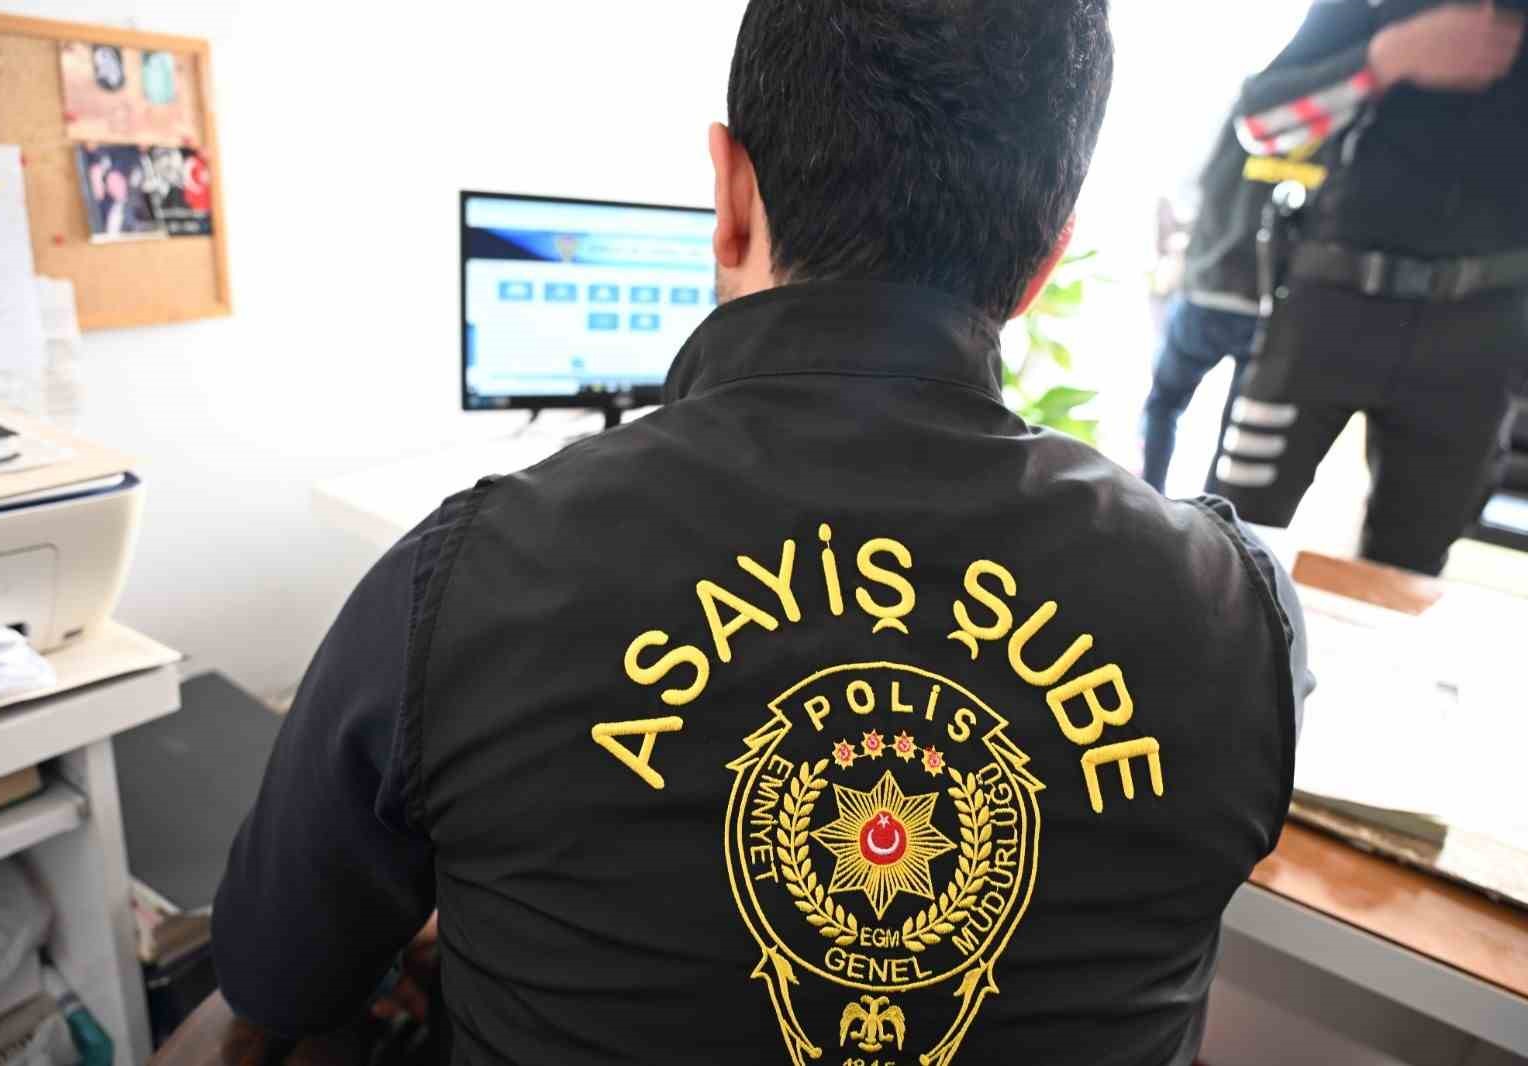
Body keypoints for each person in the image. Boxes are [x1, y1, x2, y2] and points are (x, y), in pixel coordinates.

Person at [214, 3, 1310, 1064]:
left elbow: (278, 978)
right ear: (1043, 261)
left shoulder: (460, 580)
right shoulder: (1233, 615)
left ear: (730, 194)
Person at [1207, 0, 1528, 576]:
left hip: (1479, 338)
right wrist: (1389, 58)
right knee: (1226, 540)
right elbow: (1260, 124)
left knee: (1410, 569)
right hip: (1327, 308)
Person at [1139, 103, 1336, 494]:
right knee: (1236, 432)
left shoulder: (1242, 108)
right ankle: (1215, 518)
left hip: (1208, 291)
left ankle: (1147, 497)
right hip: (1271, 306)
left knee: (1165, 403)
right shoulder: (1332, 121)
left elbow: (1185, 190)